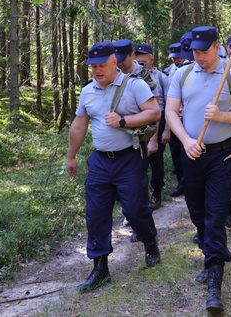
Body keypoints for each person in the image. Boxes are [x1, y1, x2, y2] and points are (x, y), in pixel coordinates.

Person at [166, 26, 231, 312]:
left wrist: (222, 115)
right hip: (193, 154)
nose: (199, 56)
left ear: (217, 47)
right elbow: (170, 112)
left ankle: (215, 280)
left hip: (222, 155)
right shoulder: (182, 74)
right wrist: (186, 140)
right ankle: (212, 254)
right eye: (195, 50)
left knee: (216, 215)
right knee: (198, 213)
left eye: (204, 50)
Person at [67, 42, 162, 294]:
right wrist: (71, 156)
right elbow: (79, 125)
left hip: (129, 158)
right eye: (93, 66)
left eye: (101, 65)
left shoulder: (135, 85)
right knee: (96, 213)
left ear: (114, 63)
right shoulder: (88, 91)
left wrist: (123, 120)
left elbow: (154, 113)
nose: (97, 70)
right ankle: (100, 269)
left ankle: (149, 240)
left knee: (134, 210)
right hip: (99, 161)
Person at [135, 43, 170, 210]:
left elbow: (169, 105)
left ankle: (157, 192)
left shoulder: (162, 78)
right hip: (137, 121)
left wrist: (167, 130)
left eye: (144, 61)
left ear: (152, 59)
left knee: (155, 159)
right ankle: (139, 195)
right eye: (138, 61)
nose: (141, 64)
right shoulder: (132, 77)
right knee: (138, 160)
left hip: (158, 121)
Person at [168, 32, 195, 198]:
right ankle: (182, 183)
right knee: (178, 154)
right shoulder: (177, 72)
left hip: (197, 122)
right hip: (178, 121)